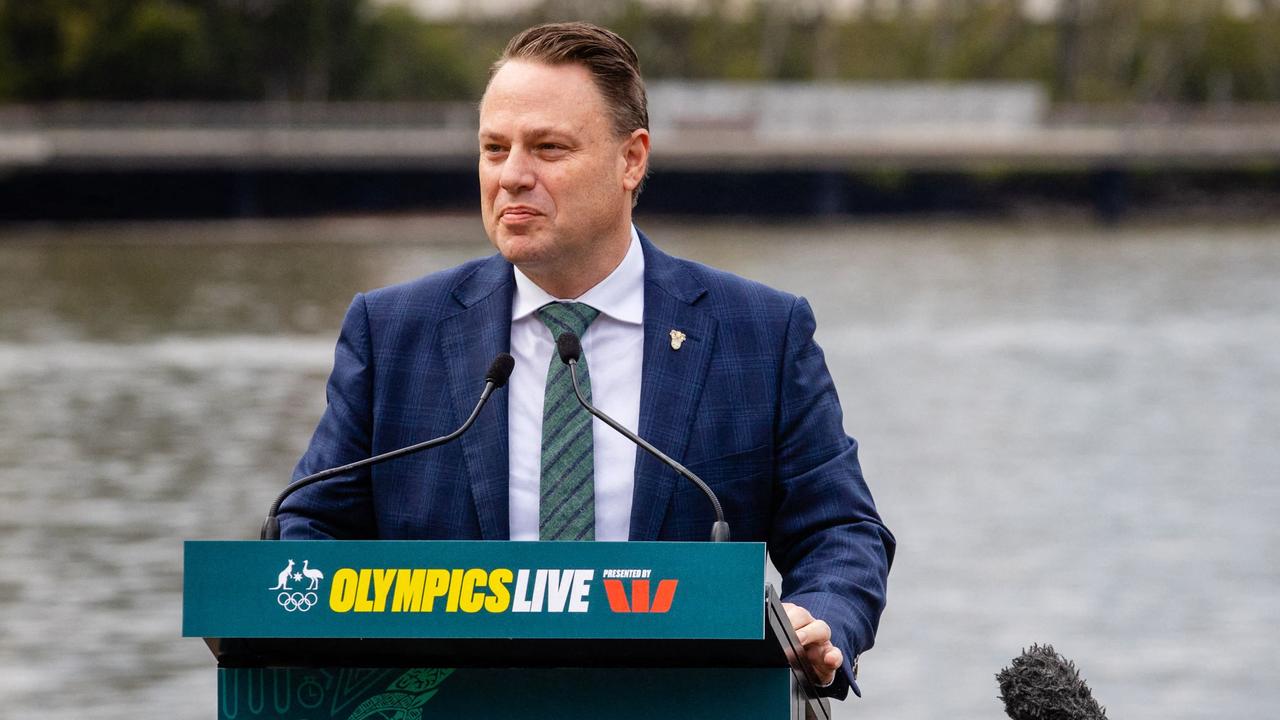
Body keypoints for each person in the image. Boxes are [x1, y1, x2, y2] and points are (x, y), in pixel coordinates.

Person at [279, 21, 894, 699]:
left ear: (632, 160)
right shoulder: (392, 331)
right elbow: (311, 526)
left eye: (548, 148)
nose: (513, 176)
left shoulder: (760, 332)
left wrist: (824, 623)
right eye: (493, 148)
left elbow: (840, 528)